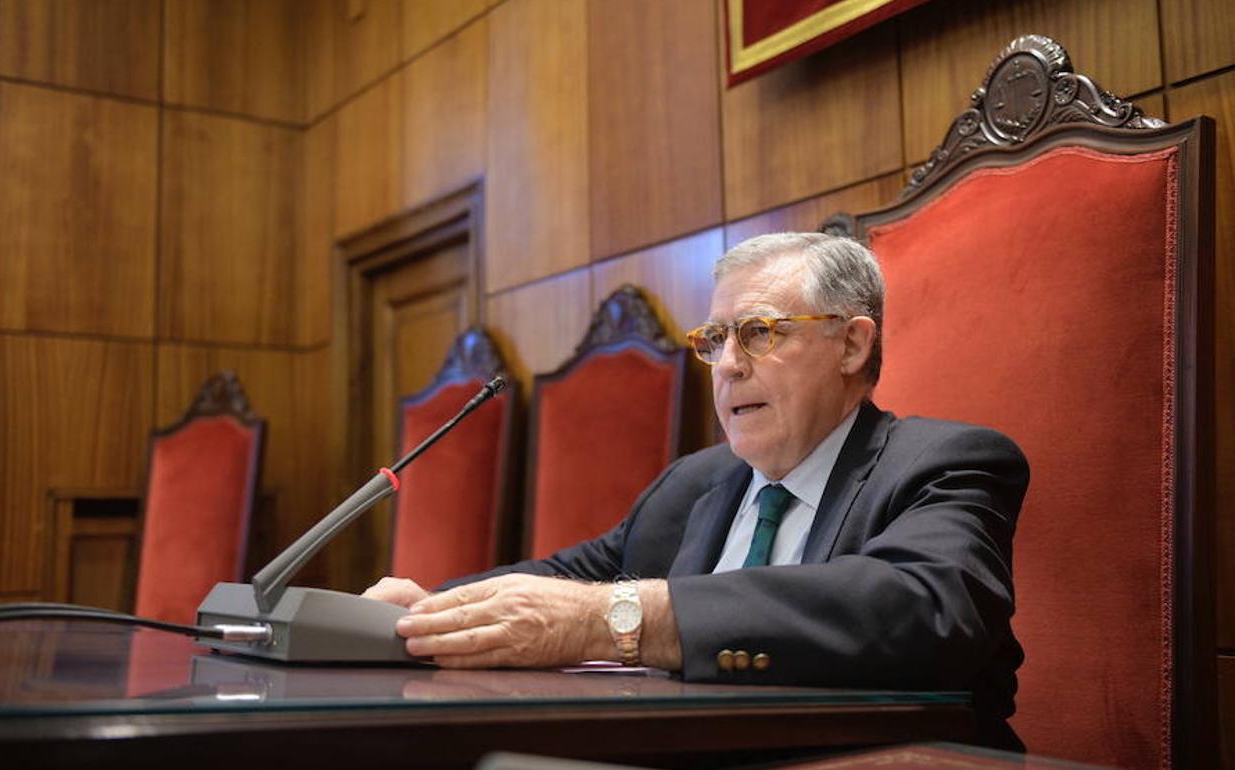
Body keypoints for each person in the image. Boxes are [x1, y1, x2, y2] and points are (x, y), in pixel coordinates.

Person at [364, 232, 1029, 748]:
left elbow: (926, 611)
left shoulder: (946, 462)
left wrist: (621, 621)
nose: (729, 366)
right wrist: (442, 609)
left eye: (760, 333)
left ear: (851, 345)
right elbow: (571, 578)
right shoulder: (698, 481)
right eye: (715, 339)